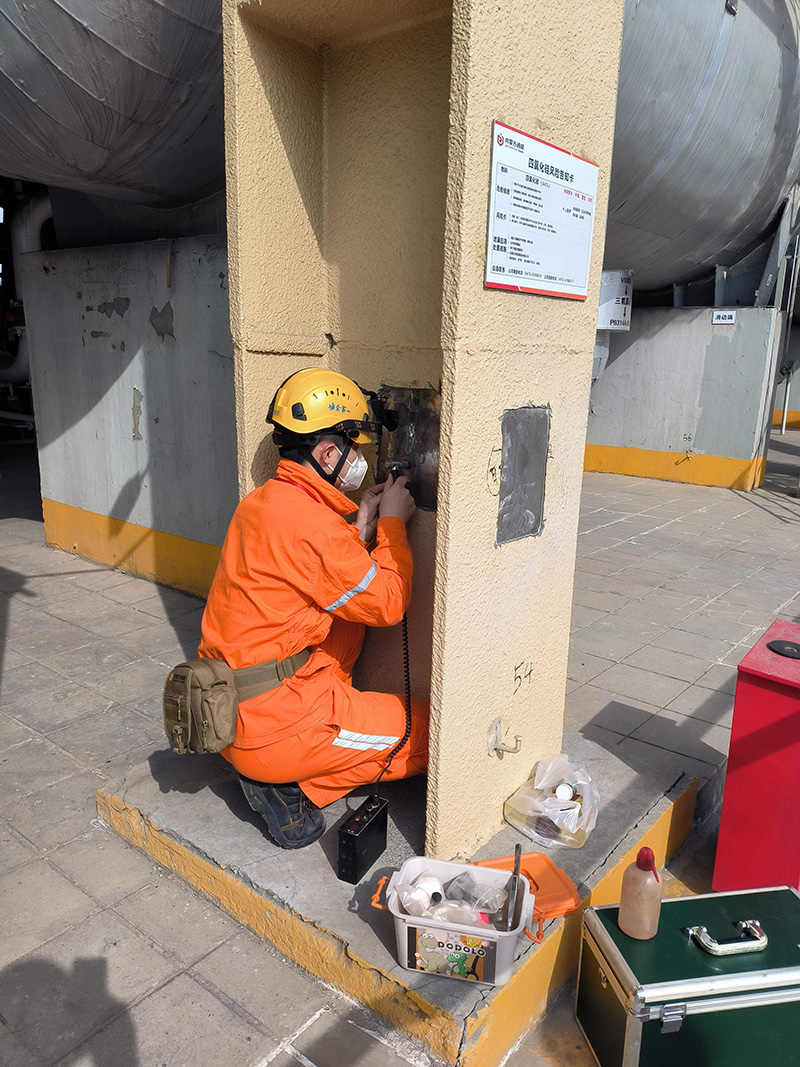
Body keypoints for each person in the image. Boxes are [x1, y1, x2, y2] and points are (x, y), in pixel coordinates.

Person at [198, 369, 429, 849]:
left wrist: (361, 525)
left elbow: (317, 576)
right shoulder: (315, 528)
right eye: (355, 447)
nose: (360, 458)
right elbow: (386, 601)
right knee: (425, 732)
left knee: (341, 628)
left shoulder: (261, 504)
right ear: (328, 453)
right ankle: (287, 784)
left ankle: (283, 769)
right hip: (278, 725)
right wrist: (391, 527)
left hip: (226, 708)